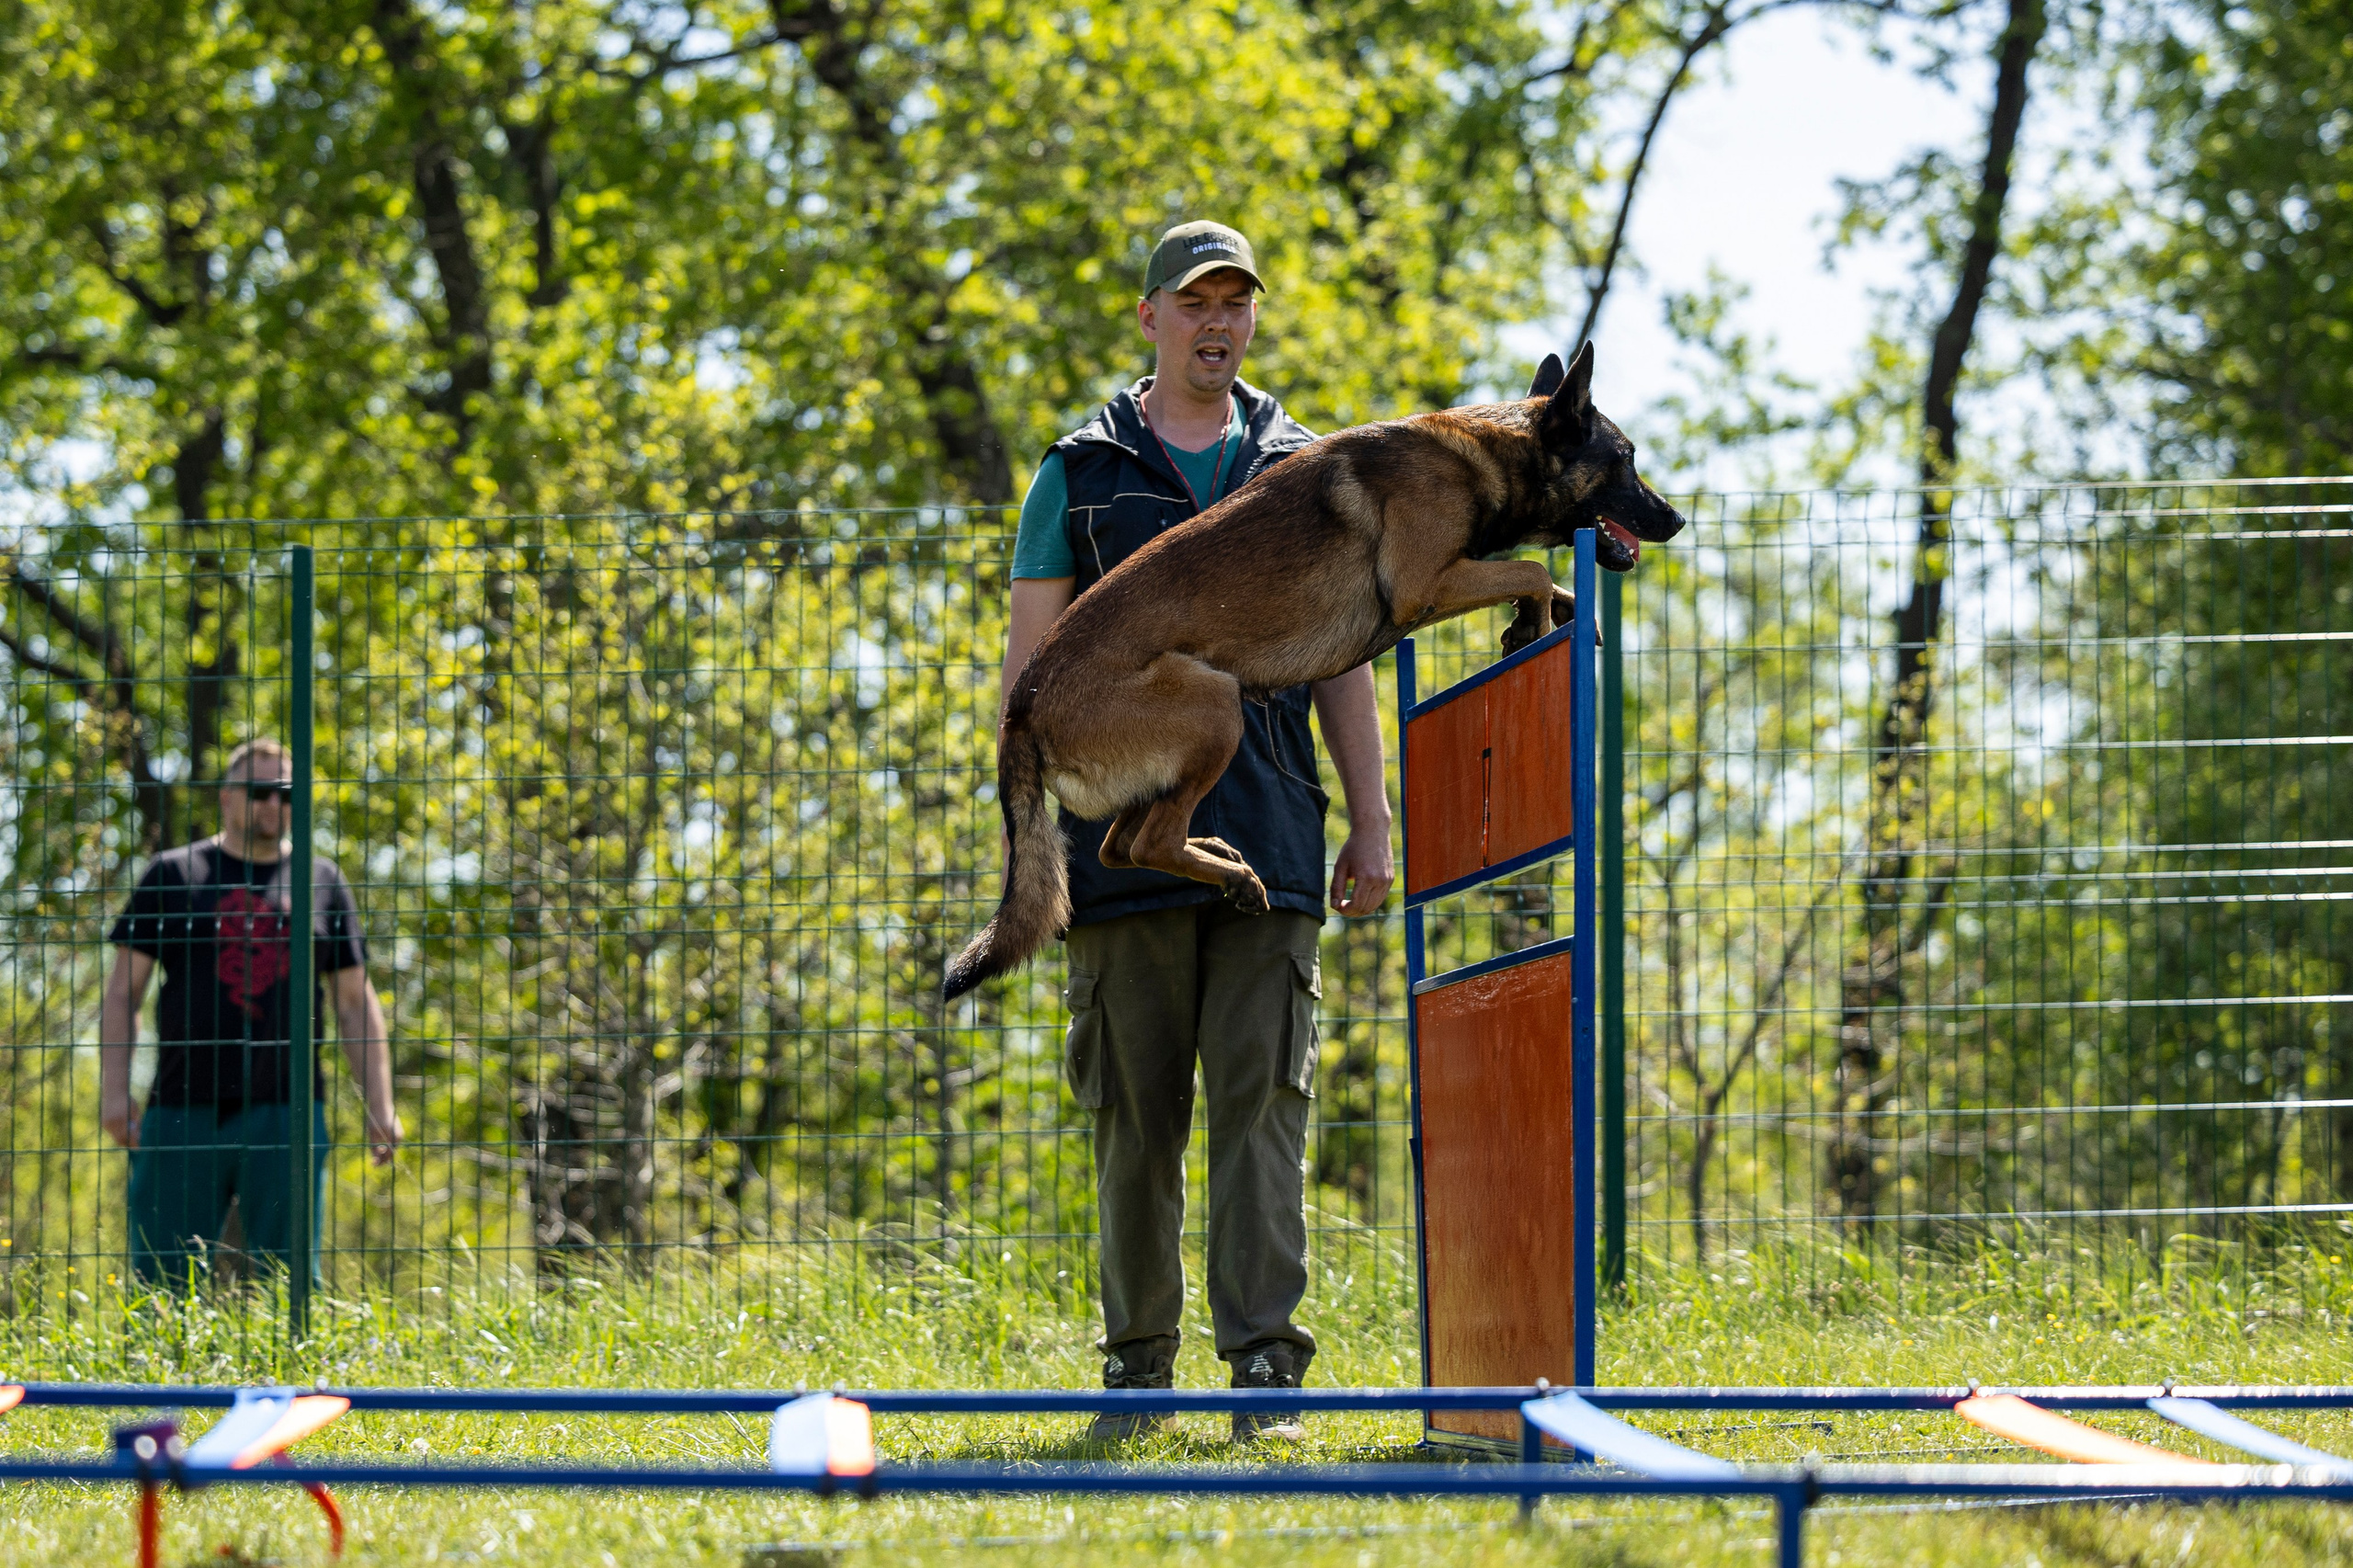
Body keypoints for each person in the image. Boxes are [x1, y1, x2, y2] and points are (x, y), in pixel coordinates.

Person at [1003, 221, 1394, 1443]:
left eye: (1236, 302)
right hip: (1120, 840)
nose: (1217, 321)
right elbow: (1031, 675)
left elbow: (1345, 656)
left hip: (1272, 830)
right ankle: (1137, 1372)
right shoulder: (1080, 470)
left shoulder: (1310, 467)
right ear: (1152, 320)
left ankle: (1266, 1375)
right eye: (1194, 301)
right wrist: (1028, 844)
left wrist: (1371, 821)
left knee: (1263, 1104)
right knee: (1135, 1116)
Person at [101, 738, 402, 1284]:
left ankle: (287, 1372)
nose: (274, 804)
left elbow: (355, 1002)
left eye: (286, 793)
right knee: (162, 1284)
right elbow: (123, 992)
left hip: (286, 1110)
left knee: (288, 1289)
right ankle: (155, 1374)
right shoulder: (172, 875)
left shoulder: (323, 880)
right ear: (225, 798)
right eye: (259, 791)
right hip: (181, 1106)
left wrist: (380, 1105)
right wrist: (114, 1093)